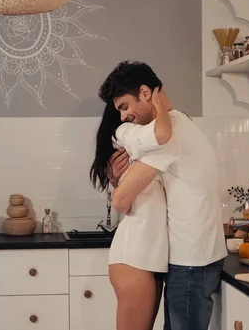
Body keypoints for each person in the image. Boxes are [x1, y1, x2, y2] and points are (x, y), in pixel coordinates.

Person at [100, 60, 228, 330]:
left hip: (191, 260)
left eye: (124, 106)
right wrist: (116, 180)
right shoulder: (181, 121)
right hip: (197, 256)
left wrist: (117, 184)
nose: (123, 116)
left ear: (145, 93)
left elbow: (122, 200)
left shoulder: (167, 136)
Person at [90, 82, 172, 330]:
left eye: (126, 107)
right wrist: (166, 110)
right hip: (135, 258)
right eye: (121, 109)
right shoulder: (130, 133)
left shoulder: (139, 143)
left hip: (146, 258)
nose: (126, 115)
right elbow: (163, 134)